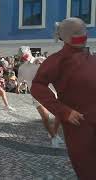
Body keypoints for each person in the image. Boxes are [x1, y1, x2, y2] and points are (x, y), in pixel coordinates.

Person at [31, 17, 96, 179]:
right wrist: (63, 111)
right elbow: (37, 86)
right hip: (80, 124)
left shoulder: (92, 58)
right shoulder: (56, 61)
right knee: (88, 169)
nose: (84, 37)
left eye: (84, 33)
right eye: (79, 34)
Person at [18, 46, 64, 148]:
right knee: (45, 117)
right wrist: (19, 86)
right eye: (22, 56)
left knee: (59, 114)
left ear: (30, 52)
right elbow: (20, 80)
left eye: (25, 55)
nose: (24, 57)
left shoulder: (42, 60)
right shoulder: (22, 68)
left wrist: (44, 65)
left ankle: (54, 133)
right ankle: (53, 137)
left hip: (50, 91)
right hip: (36, 94)